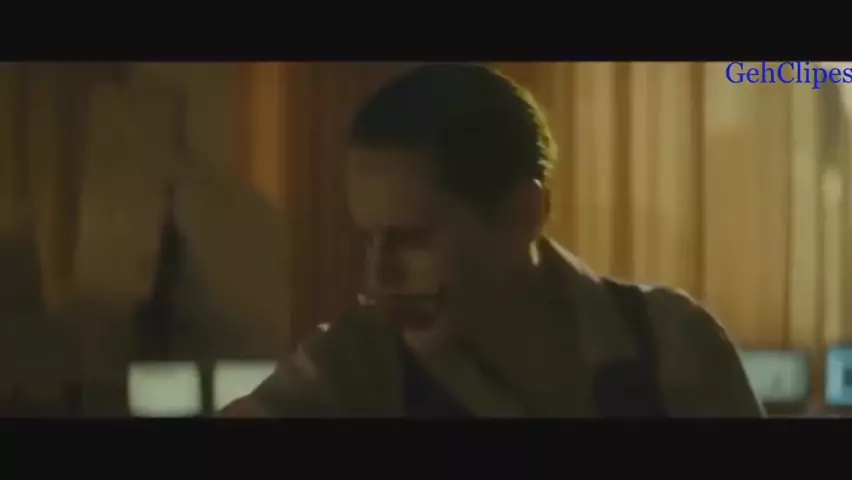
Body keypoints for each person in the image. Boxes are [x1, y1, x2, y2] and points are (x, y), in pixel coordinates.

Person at [221, 64, 764, 417]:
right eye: (368, 239)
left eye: (411, 238)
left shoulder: (672, 348)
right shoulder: (356, 364)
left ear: (522, 214)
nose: (377, 277)